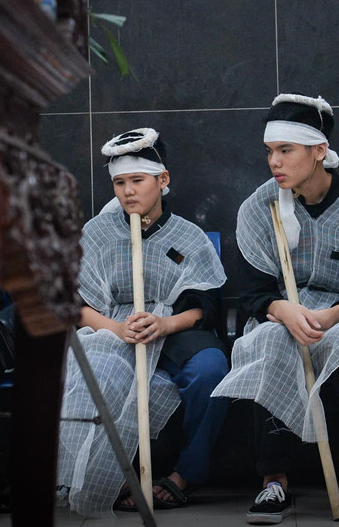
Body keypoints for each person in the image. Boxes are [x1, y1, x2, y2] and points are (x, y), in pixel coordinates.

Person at [211, 94, 339, 524]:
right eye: (270, 152)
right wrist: (282, 311)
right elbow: (254, 291)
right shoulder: (260, 207)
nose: (274, 162)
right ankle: (273, 481)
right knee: (272, 345)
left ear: (318, 151)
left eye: (285, 150)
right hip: (284, 312)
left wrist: (331, 316)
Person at [56, 128, 229, 517]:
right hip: (111, 328)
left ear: (162, 180)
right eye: (120, 182)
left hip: (171, 329)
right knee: (93, 370)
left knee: (211, 369)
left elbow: (205, 308)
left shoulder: (189, 236)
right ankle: (107, 478)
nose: (128, 191)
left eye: (138, 180)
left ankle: (186, 474)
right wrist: (115, 328)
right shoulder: (96, 233)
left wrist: (165, 325)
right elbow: (74, 306)